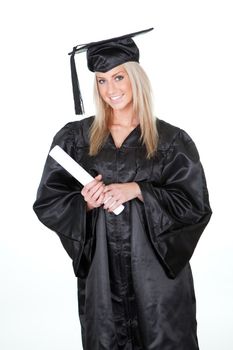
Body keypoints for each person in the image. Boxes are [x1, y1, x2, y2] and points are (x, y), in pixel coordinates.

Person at [33, 28, 212, 350]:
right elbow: (49, 200)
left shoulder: (171, 140)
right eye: (102, 80)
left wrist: (140, 190)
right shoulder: (76, 138)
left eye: (118, 78)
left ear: (135, 79)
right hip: (102, 273)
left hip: (155, 277)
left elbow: (194, 206)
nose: (110, 89)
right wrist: (84, 204)